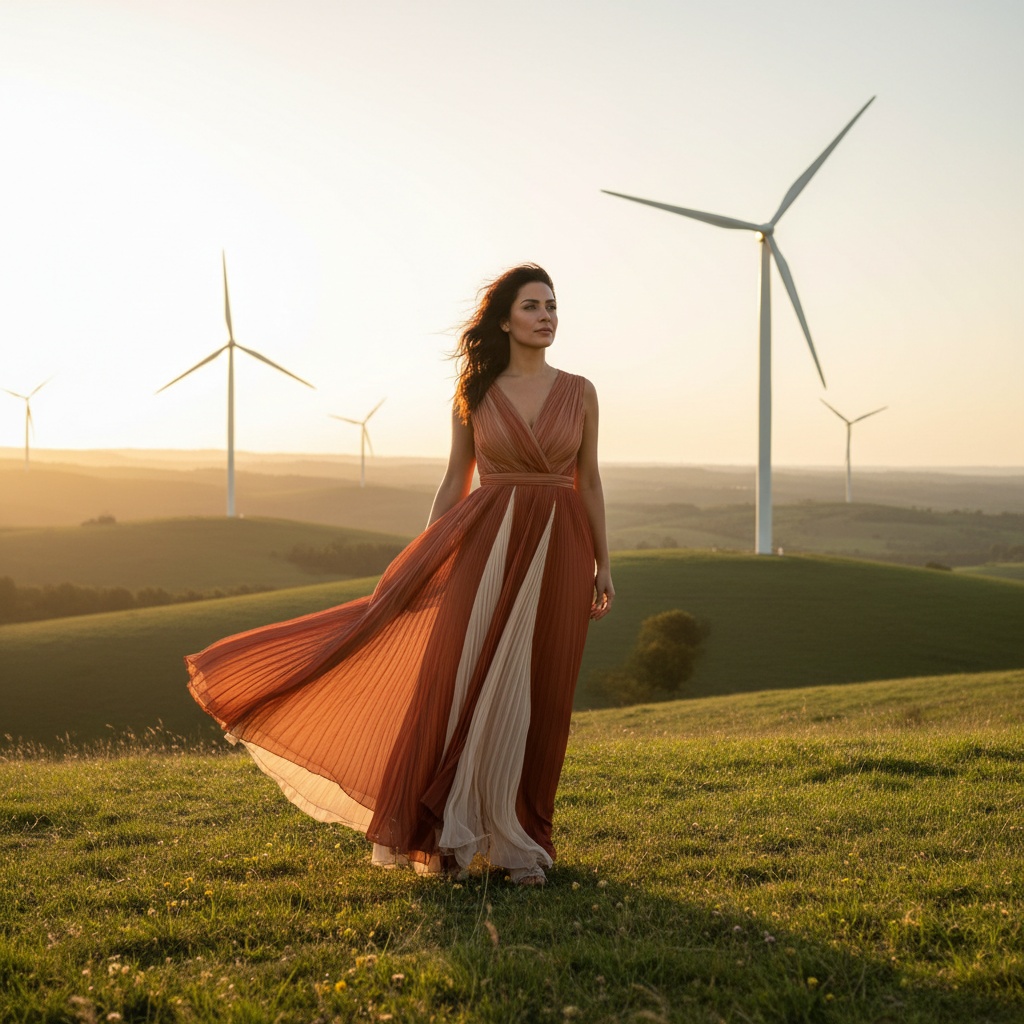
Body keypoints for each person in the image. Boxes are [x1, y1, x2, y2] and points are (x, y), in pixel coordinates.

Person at [186, 263, 614, 886]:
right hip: (483, 547)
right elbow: (455, 478)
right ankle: (449, 838)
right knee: (460, 684)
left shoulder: (581, 391)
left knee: (542, 697)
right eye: (532, 306)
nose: (546, 316)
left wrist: (604, 562)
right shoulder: (475, 393)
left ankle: (523, 843)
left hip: (561, 550)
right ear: (503, 320)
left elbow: (589, 479)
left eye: (552, 305)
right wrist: (428, 555)